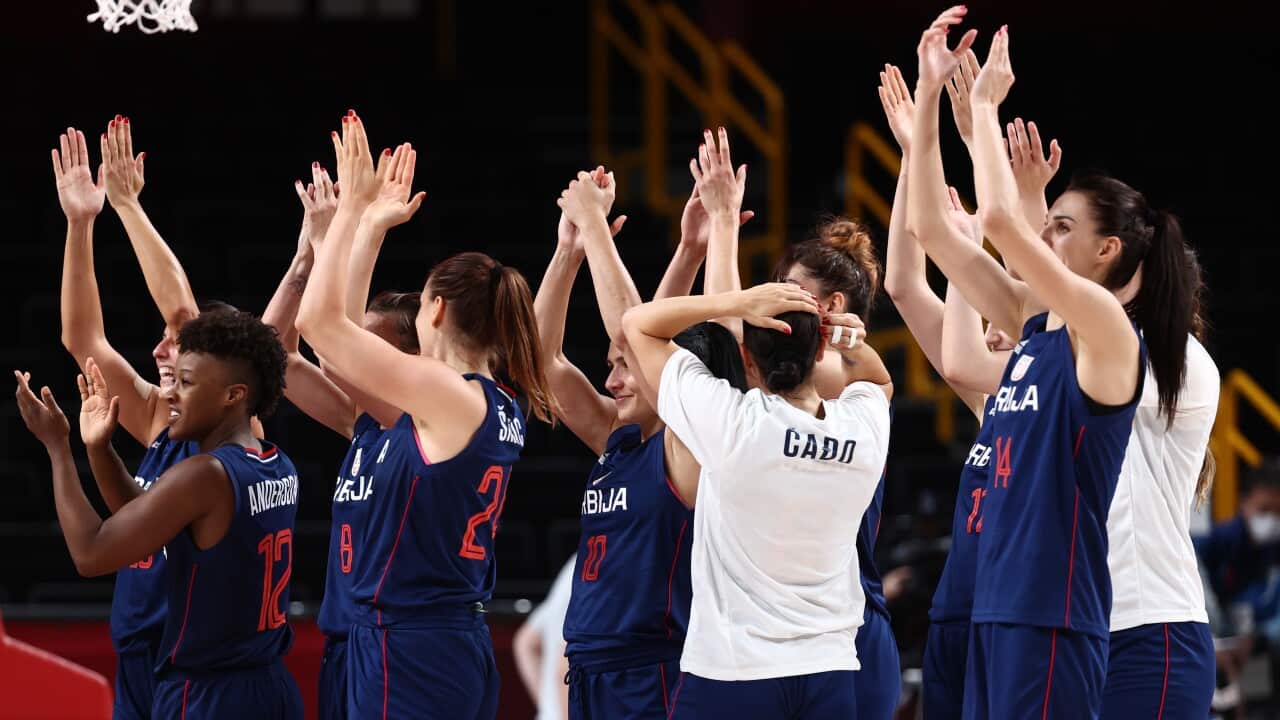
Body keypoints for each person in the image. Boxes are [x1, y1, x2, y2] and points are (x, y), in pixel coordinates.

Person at [909, 10, 1200, 716]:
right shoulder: (1043, 326)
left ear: (1109, 252)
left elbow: (1005, 229)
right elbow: (935, 234)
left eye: (1063, 227)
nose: (1045, 233)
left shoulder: (1110, 332)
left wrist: (982, 113)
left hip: (1083, 612)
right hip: (1005, 605)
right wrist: (926, 105)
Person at [295, 111, 554, 719]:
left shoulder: (449, 393)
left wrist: (355, 211)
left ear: (434, 311)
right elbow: (348, 350)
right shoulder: (483, 403)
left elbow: (318, 326)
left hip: (411, 644)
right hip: (437, 637)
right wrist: (371, 228)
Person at [621, 281, 892, 718]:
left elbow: (637, 324)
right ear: (820, 352)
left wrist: (736, 303)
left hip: (733, 673)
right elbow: (878, 379)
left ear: (747, 360)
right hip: (830, 670)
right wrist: (846, 337)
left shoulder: (733, 424)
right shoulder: (861, 429)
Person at [15, 309, 301, 718]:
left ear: (232, 395)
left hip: (207, 694)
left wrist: (58, 448)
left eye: (186, 383)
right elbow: (147, 519)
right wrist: (100, 449)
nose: (170, 394)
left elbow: (90, 553)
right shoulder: (277, 464)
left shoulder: (205, 475)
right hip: (269, 686)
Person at [52, 117, 245, 719]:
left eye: (177, 344)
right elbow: (82, 336)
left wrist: (129, 207)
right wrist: (81, 224)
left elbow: (184, 313)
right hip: (138, 654)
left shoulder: (214, 429)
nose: (162, 351)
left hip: (187, 655)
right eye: (163, 341)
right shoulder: (161, 417)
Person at [543, 166, 749, 719]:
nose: (612, 380)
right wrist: (569, 251)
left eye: (624, 368)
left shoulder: (687, 448)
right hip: (590, 670)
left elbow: (644, 334)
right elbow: (543, 360)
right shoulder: (618, 442)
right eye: (609, 367)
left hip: (655, 672)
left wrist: (592, 220)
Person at [873, 58, 1016, 720]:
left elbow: (959, 357)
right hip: (960, 603)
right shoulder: (993, 402)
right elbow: (903, 282)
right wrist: (913, 151)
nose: (986, 335)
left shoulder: (1050, 379)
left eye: (1000, 325)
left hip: (1016, 610)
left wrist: (966, 246)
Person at [262, 155, 426, 720]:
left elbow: (330, 334)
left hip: (394, 644)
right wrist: (310, 252)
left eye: (369, 345)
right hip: (344, 645)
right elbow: (273, 356)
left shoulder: (421, 426)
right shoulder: (361, 423)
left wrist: (361, 226)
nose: (351, 354)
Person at [513, 556, 576, 720]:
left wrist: (549, 707)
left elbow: (525, 642)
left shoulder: (577, 563)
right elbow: (568, 662)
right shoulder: (609, 567)